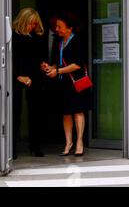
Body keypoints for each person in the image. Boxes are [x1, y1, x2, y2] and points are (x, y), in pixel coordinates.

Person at [41, 11, 88, 157]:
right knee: (66, 113)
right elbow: (57, 63)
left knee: (77, 111)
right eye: (56, 26)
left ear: (70, 28)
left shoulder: (77, 41)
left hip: (76, 81)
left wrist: (59, 71)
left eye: (60, 27)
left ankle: (79, 142)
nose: (57, 29)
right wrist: (50, 68)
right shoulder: (59, 42)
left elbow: (77, 65)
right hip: (63, 83)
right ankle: (68, 143)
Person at [12, 7, 47, 159]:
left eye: (34, 24)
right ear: (23, 21)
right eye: (30, 23)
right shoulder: (13, 36)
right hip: (16, 77)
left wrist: (42, 67)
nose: (32, 26)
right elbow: (9, 60)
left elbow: (39, 59)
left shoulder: (38, 37)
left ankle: (35, 146)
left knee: (36, 112)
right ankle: (11, 148)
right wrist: (18, 76)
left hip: (33, 77)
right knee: (14, 112)